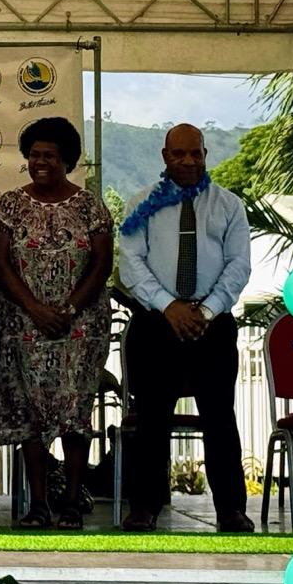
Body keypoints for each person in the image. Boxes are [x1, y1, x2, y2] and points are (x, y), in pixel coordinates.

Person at [115, 123, 254, 532]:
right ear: (164, 156)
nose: (189, 161)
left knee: (220, 417)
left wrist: (206, 310)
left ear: (206, 154)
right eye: (180, 154)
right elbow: (131, 263)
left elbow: (239, 265)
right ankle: (144, 507)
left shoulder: (228, 206)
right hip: (157, 325)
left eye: (196, 153)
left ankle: (230, 509)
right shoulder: (141, 204)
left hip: (213, 325)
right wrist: (169, 307)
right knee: (152, 417)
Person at [0, 116, 113, 529]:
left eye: (49, 156)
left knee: (74, 411)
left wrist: (68, 310)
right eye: (34, 155)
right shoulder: (10, 205)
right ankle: (37, 504)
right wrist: (35, 309)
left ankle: (72, 501)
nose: (40, 162)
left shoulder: (90, 205)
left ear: (66, 160)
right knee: (28, 415)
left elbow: (101, 264)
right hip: (20, 324)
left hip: (80, 327)